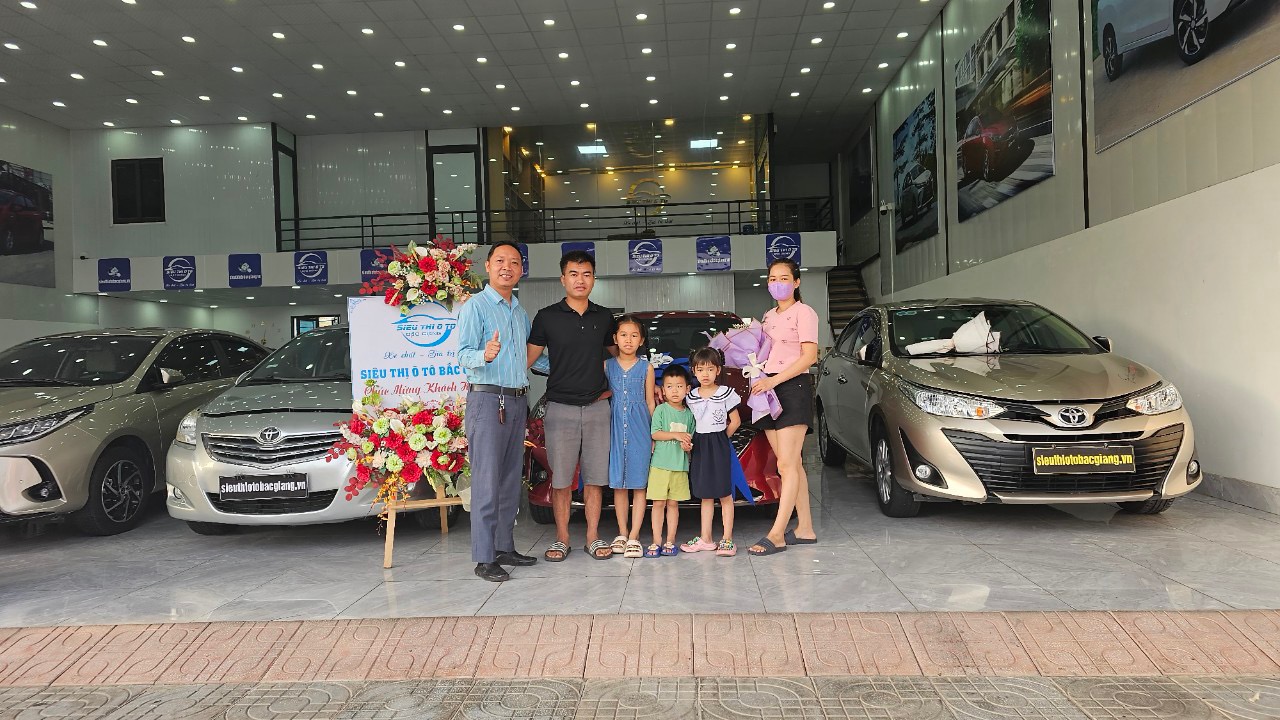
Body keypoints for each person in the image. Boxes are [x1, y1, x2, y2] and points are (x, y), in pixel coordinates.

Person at [455, 241, 545, 582]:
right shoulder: (475, 307)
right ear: (489, 266)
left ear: (521, 270)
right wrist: (485, 354)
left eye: (515, 262)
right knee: (486, 481)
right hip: (488, 401)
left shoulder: (519, 312)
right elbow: (463, 354)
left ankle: (504, 546)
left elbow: (530, 359)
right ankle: (484, 557)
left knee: (510, 480)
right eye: (500, 261)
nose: (507, 267)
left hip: (517, 401)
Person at [527, 250, 617, 561]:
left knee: (594, 478)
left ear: (594, 279)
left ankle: (592, 536)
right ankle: (562, 538)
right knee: (562, 479)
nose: (580, 280)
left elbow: (621, 356)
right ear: (563, 279)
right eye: (574, 274)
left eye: (586, 274)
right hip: (560, 408)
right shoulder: (546, 317)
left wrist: (651, 381)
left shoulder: (604, 317)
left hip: (597, 407)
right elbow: (527, 359)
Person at [748, 258, 820, 556]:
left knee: (786, 465)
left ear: (796, 282)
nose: (777, 283)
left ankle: (777, 534)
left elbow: (809, 357)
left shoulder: (805, 312)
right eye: (772, 279)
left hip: (792, 388)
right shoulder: (768, 316)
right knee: (791, 464)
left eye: (784, 278)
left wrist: (774, 380)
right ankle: (805, 529)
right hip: (768, 390)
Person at [682, 347, 741, 558]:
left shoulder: (725, 393)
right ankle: (706, 538)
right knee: (705, 494)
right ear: (693, 371)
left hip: (718, 444)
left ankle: (727, 538)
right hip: (700, 445)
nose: (705, 374)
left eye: (709, 369)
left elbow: (735, 421)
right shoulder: (690, 396)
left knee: (725, 493)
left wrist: (722, 438)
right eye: (700, 369)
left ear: (718, 370)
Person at [605, 315, 656, 559]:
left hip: (639, 430)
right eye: (623, 335)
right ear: (615, 338)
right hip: (614, 430)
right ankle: (622, 533)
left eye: (634, 335)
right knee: (619, 484)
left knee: (638, 484)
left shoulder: (647, 368)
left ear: (641, 340)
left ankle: (635, 535)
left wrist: (654, 434)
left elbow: (650, 401)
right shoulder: (607, 366)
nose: (628, 340)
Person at [645, 364, 694, 558]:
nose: (675, 391)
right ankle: (656, 540)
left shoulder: (689, 415)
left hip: (680, 467)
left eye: (679, 386)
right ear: (663, 390)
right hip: (660, 466)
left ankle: (670, 540)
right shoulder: (661, 410)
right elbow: (655, 434)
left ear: (687, 389)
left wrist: (687, 446)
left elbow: (690, 440)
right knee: (658, 504)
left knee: (673, 504)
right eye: (670, 386)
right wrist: (676, 435)